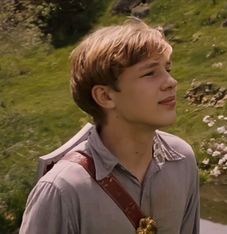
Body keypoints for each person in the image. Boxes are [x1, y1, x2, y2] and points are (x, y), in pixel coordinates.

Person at [19, 18, 200, 234]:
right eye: (150, 73)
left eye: (167, 68)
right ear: (105, 96)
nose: (171, 81)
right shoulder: (62, 190)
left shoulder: (181, 160)